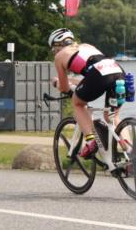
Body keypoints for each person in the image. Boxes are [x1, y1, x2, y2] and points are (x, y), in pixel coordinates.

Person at [48, 28, 125, 159]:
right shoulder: (86, 46)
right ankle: (129, 150)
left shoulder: (59, 56)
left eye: (53, 48)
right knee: (112, 116)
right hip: (116, 69)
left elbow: (65, 87)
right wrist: (76, 82)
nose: (54, 52)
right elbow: (93, 73)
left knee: (78, 103)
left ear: (58, 44)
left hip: (98, 74)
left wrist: (56, 83)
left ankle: (90, 141)